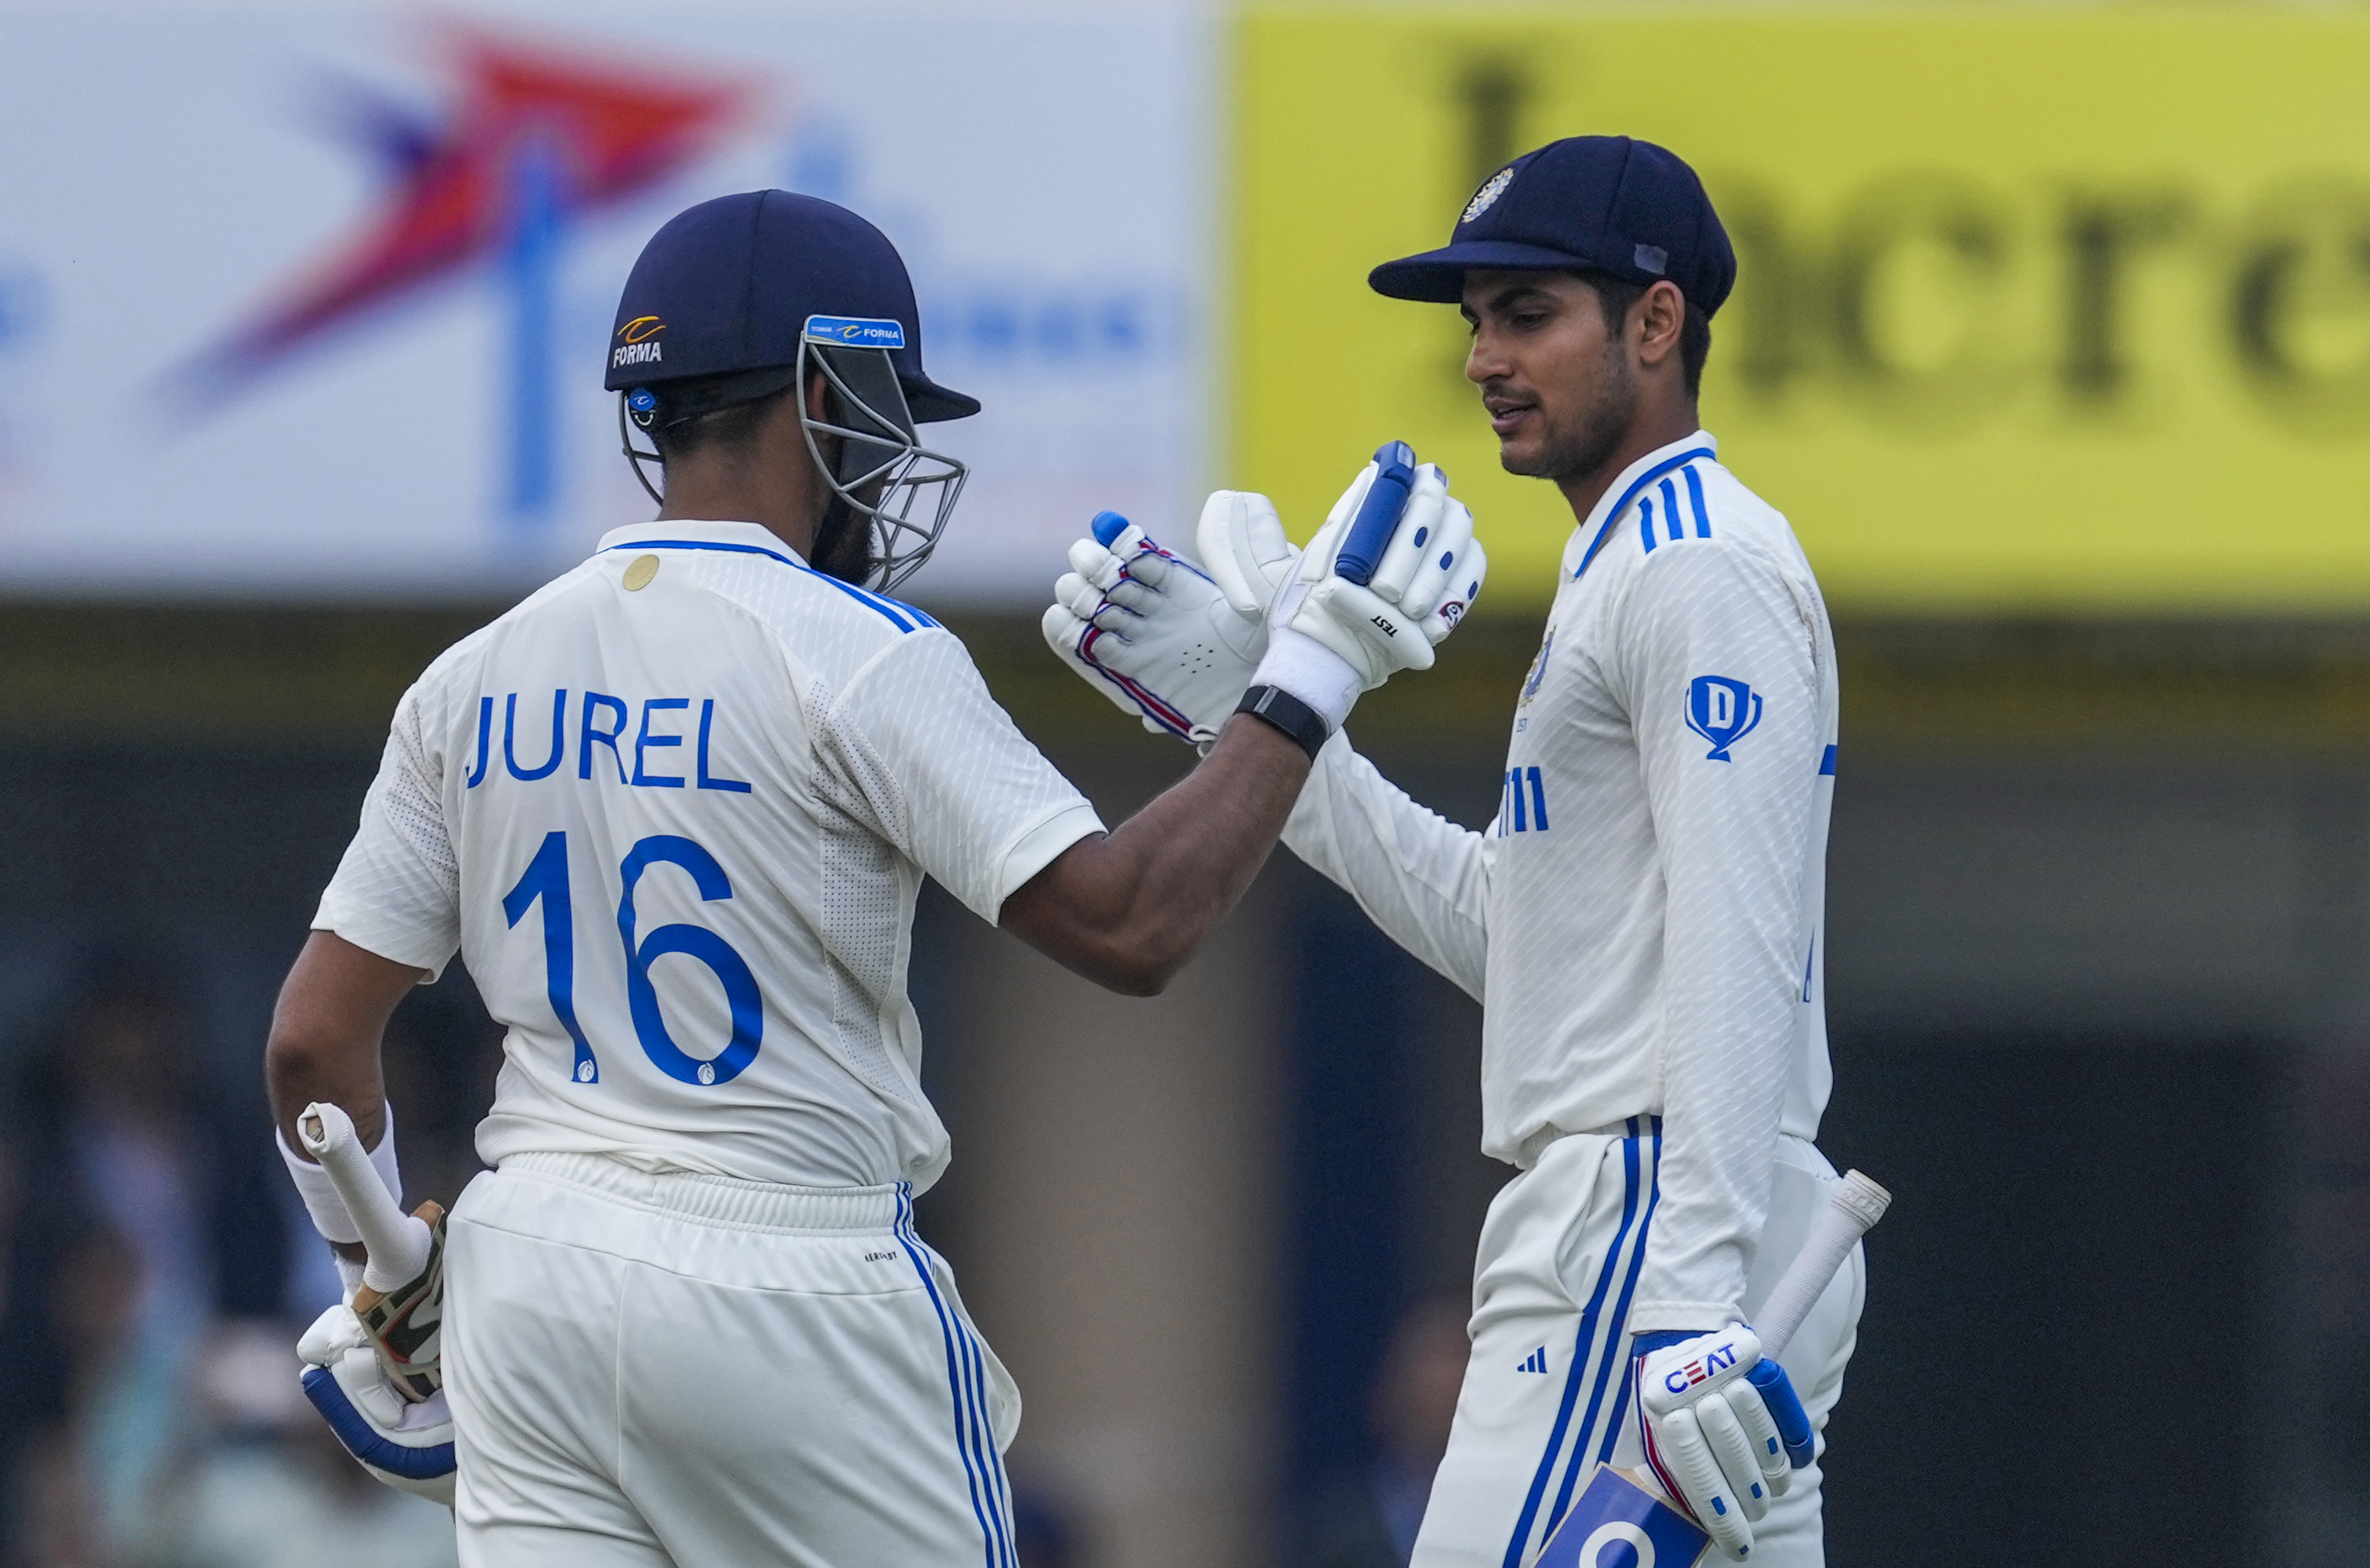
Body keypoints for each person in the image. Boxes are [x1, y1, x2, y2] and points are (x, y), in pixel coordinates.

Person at [262, 189, 1475, 1566]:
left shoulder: (470, 677)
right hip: (790, 1279)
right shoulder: (857, 650)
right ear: (826, 392)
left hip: (528, 1263)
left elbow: (313, 1041)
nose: (895, 457)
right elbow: (1132, 926)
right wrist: (1309, 672)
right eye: (887, 410)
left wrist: (385, 1276)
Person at [1044, 137, 1860, 1566]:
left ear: (1655, 324)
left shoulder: (1694, 562)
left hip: (1646, 1232)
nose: (1484, 355)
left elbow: (1735, 942)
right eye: (1475, 319)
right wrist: (1267, 723)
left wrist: (1681, 1307)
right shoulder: (1627, 560)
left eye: (1528, 313)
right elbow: (1526, 939)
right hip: (1679, 1222)